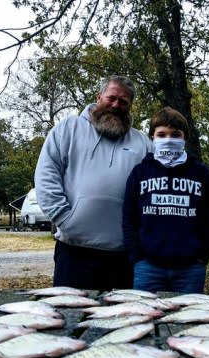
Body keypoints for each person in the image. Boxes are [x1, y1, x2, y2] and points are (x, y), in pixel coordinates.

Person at [35, 76, 152, 291]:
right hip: (74, 250)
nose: (117, 105)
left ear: (130, 106)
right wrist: (63, 217)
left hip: (123, 255)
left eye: (124, 101)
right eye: (112, 98)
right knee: (70, 318)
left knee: (120, 320)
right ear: (99, 97)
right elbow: (47, 174)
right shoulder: (68, 128)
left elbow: (153, 188)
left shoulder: (142, 141)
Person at [122, 107, 209, 293]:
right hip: (148, 267)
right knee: (144, 318)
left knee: (188, 319)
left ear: (185, 137)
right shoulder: (140, 173)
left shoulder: (201, 173)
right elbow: (129, 218)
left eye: (175, 134)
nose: (168, 140)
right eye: (161, 134)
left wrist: (204, 254)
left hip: (191, 268)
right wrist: (136, 255)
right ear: (152, 138)